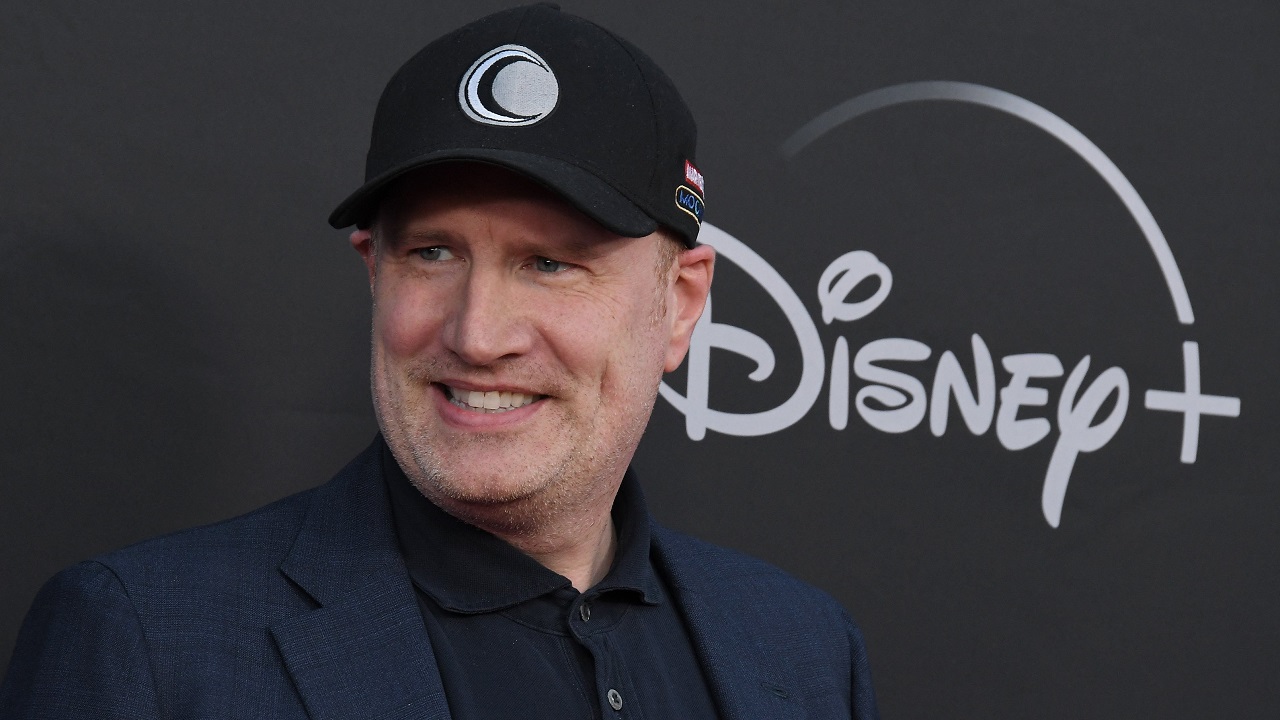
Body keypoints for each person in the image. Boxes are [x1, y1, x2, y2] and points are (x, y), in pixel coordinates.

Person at [0, 5, 878, 718]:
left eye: (550, 263)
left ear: (680, 304)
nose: (477, 335)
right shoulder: (144, 644)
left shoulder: (804, 652)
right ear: (373, 271)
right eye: (432, 253)